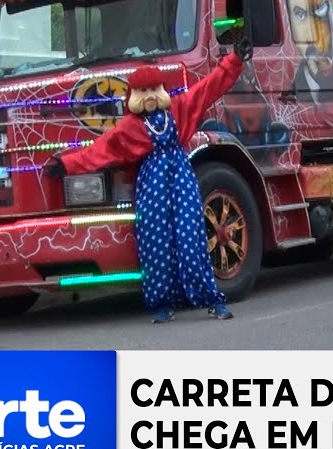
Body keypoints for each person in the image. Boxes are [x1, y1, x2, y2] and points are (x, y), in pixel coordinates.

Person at [44, 40, 252, 323]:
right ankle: (163, 304)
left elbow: (208, 89)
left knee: (192, 237)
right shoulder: (129, 128)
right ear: (133, 95)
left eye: (155, 89)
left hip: (182, 181)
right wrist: (66, 163)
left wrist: (234, 61)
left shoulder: (179, 110)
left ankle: (211, 299)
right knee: (155, 245)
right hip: (151, 187)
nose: (151, 96)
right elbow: (100, 151)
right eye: (144, 91)